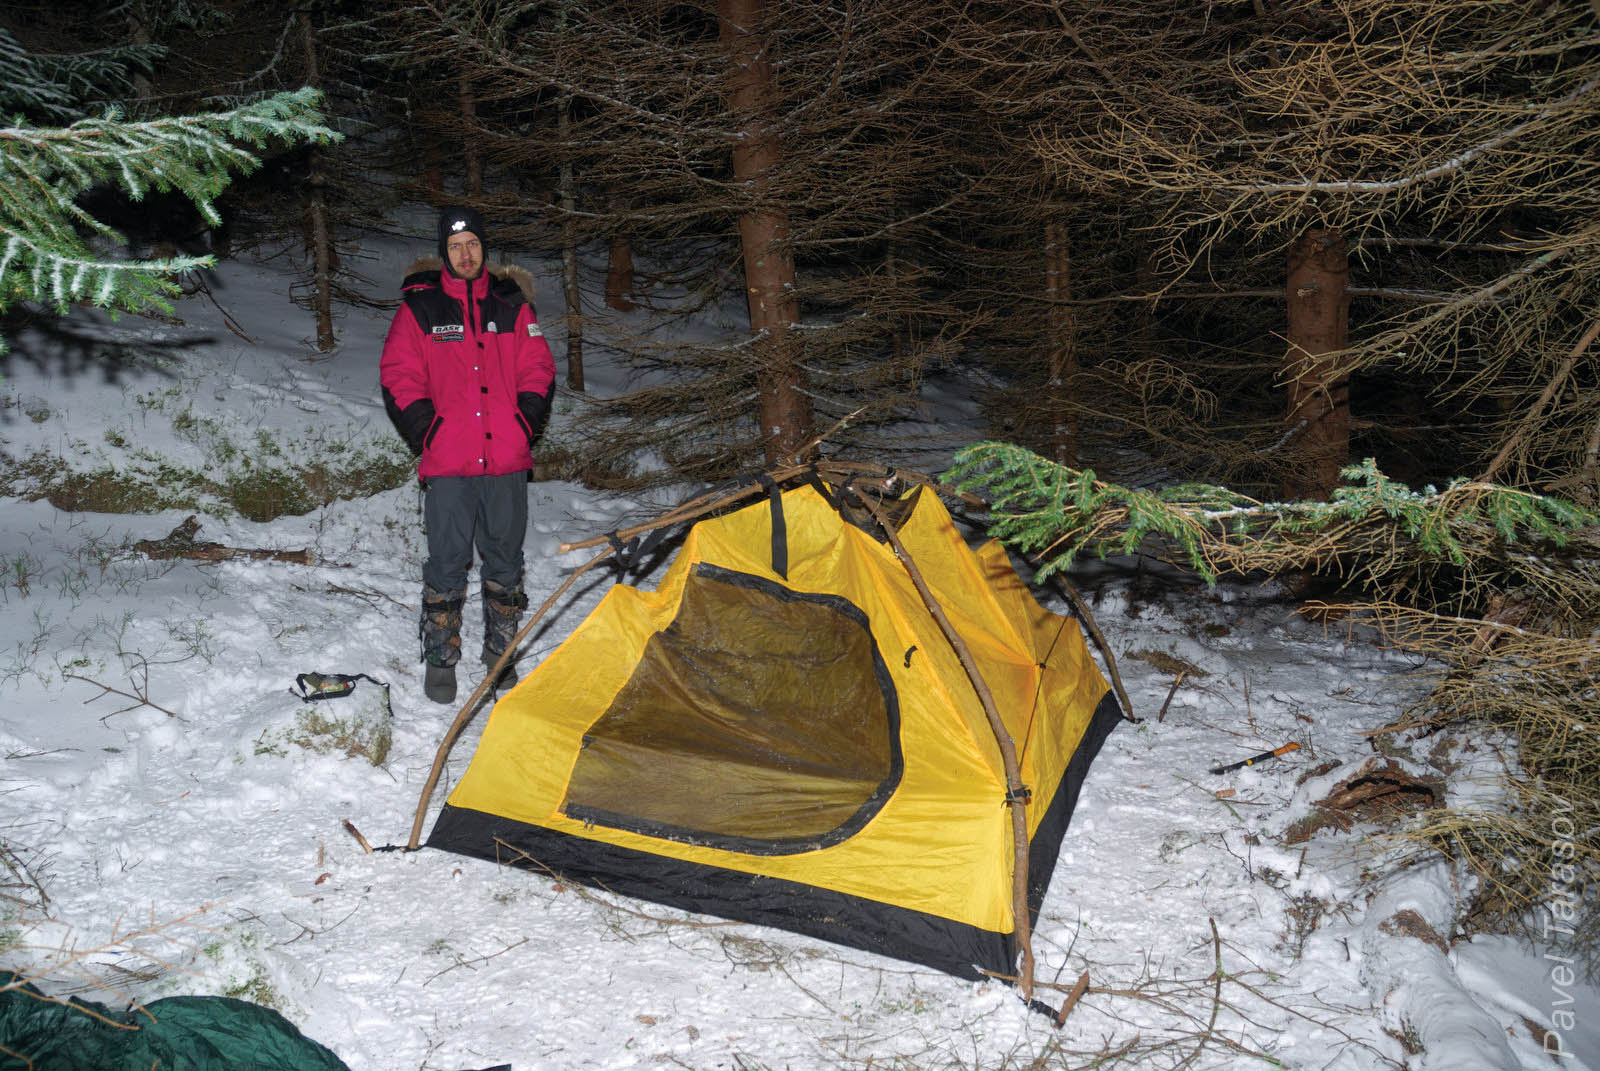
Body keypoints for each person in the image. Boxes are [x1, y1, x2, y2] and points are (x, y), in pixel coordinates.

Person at [380, 206, 556, 703]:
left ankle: (500, 652)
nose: (465, 253)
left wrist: (523, 423)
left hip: (505, 461)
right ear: (444, 253)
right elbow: (398, 373)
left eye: (473, 244)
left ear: (484, 249)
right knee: (447, 562)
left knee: (504, 560)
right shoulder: (422, 306)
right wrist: (428, 431)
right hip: (449, 461)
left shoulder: (512, 304)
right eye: (455, 246)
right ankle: (441, 655)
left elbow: (539, 368)